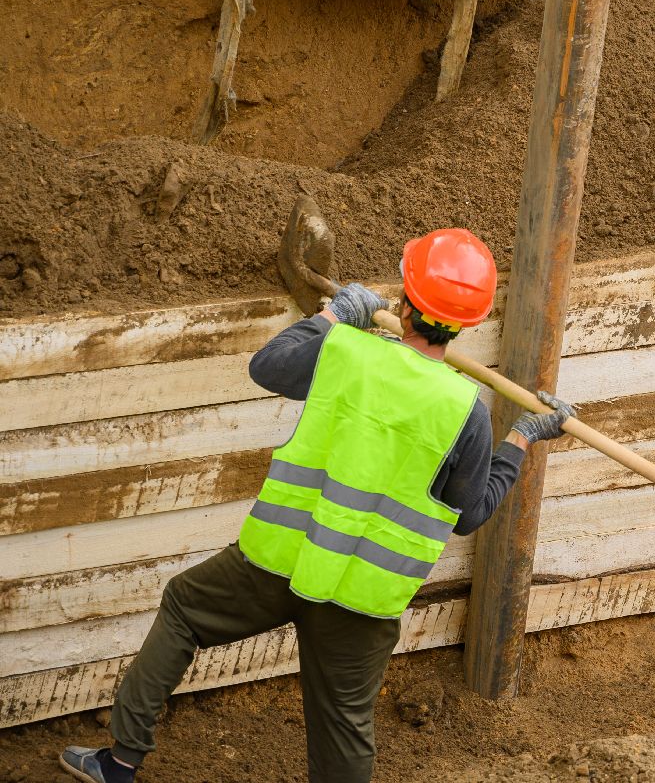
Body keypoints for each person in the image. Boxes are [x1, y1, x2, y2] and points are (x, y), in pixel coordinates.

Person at [61, 228, 571, 783]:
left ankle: (120, 762)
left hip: (279, 560)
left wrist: (336, 314)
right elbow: (469, 515)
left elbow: (267, 366)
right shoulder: (464, 410)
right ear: (467, 323)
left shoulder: (345, 352)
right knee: (343, 725)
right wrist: (520, 439)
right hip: (361, 597)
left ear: (404, 303)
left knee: (184, 609)